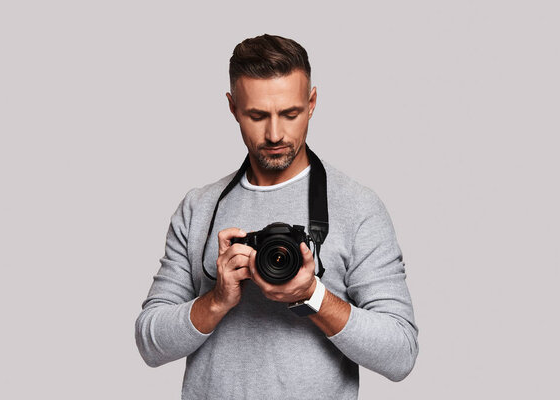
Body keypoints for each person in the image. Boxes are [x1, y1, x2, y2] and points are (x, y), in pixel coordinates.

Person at [135, 33, 419, 399]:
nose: (274, 134)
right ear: (233, 107)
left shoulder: (358, 207)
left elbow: (400, 354)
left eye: (290, 113)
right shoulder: (199, 208)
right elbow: (149, 342)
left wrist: (312, 295)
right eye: (257, 115)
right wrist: (217, 300)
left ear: (312, 102)